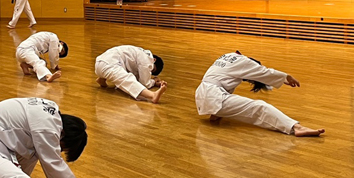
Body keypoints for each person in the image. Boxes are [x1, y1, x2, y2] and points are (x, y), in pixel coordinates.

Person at [195, 51, 324, 136]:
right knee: (260, 106)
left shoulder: (227, 57)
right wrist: (286, 77)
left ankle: (215, 112)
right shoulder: (245, 62)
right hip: (213, 96)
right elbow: (264, 72)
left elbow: (223, 80)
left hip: (203, 94)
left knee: (228, 92)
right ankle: (297, 128)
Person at [95, 45, 167, 103]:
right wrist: (153, 81)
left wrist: (154, 82)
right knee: (127, 79)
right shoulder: (147, 59)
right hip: (109, 65)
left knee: (124, 72)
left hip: (100, 62)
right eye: (152, 69)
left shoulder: (138, 53)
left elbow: (138, 76)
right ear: (154, 60)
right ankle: (152, 95)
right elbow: (145, 83)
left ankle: (102, 78)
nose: (149, 70)